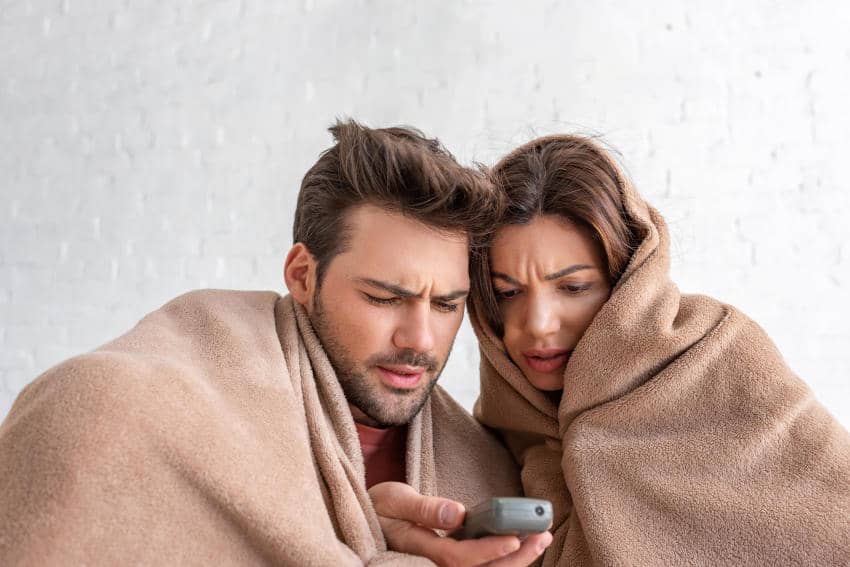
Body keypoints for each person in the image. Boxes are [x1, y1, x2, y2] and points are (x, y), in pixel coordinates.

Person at [0, 120, 551, 566]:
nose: (420, 339)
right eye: (384, 298)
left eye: (446, 304)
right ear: (303, 276)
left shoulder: (486, 472)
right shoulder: (135, 407)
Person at [469, 134, 850, 566]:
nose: (537, 324)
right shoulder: (491, 430)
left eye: (573, 288)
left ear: (629, 281)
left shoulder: (716, 356)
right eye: (507, 292)